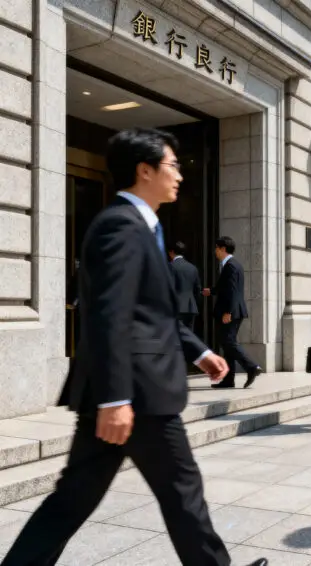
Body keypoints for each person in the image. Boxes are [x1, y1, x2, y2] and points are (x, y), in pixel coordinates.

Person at [0, 128, 268, 566]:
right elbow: (110, 313)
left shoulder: (143, 226)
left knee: (75, 500)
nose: (179, 174)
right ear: (145, 171)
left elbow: (150, 311)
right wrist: (115, 397)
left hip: (130, 392)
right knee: (180, 491)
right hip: (137, 393)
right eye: (172, 165)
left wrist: (200, 352)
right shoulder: (120, 226)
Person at [203, 236, 263, 389]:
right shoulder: (233, 265)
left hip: (230, 312)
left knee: (228, 342)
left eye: (216, 248)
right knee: (227, 344)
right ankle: (229, 380)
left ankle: (251, 367)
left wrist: (228, 311)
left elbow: (233, 290)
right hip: (233, 310)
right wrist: (212, 291)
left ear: (223, 249)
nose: (215, 251)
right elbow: (225, 287)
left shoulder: (230, 266)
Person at [168, 240, 201, 331]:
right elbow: (197, 289)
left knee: (176, 335)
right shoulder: (193, 268)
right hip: (191, 307)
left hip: (176, 307)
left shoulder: (170, 266)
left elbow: (169, 287)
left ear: (171, 252)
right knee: (189, 334)